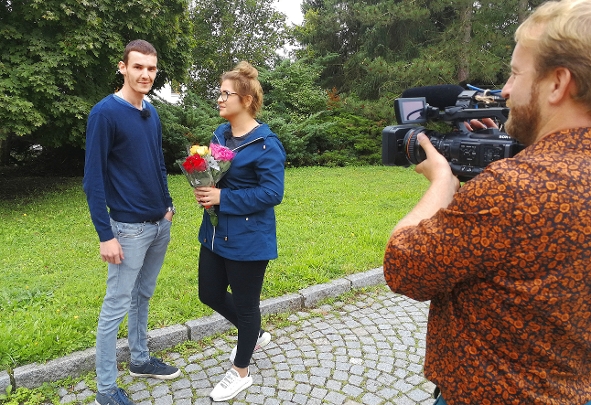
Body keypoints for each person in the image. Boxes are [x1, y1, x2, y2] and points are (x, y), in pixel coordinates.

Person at [383, 0, 591, 404]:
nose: (506, 90)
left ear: (558, 82)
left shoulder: (512, 189)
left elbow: (403, 267)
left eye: (515, 73)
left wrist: (442, 181)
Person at [83, 39, 180, 405]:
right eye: (138, 66)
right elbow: (93, 179)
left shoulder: (151, 112)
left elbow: (157, 162)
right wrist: (105, 235)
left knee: (143, 295)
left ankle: (140, 359)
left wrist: (168, 205)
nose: (145, 74)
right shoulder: (104, 114)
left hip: (158, 225)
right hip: (127, 230)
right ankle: (106, 390)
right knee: (116, 307)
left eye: (151, 68)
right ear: (122, 67)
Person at [193, 61, 286, 402]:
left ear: (246, 100)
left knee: (247, 308)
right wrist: (204, 186)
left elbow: (272, 193)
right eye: (219, 93)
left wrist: (223, 198)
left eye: (226, 94)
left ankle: (241, 371)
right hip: (215, 233)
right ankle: (254, 333)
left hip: (249, 239)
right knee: (209, 294)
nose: (219, 99)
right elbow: (215, 172)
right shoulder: (221, 135)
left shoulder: (266, 144)